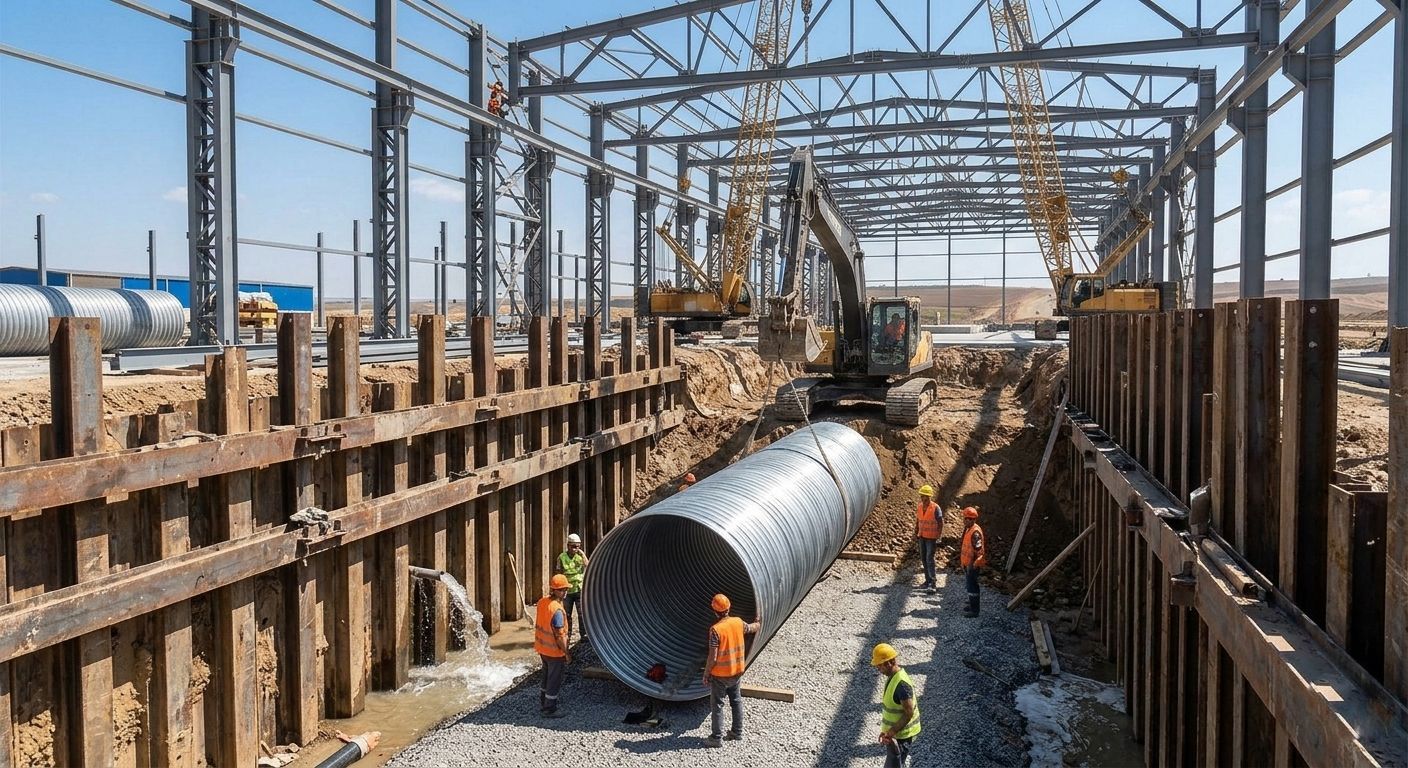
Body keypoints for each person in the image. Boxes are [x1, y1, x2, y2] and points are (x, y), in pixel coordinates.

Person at [702, 593, 762, 748]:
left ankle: (716, 738)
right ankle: (737, 732)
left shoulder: (715, 630)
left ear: (715, 611)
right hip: (736, 672)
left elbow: (713, 657)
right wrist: (758, 622)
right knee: (736, 701)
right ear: (729, 608)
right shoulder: (738, 622)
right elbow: (752, 628)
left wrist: (706, 673)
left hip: (720, 675)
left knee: (717, 705)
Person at [871, 643, 921, 768]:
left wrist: (892, 732)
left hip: (902, 735)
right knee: (897, 764)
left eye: (879, 666)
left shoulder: (901, 685)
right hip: (896, 734)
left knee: (895, 764)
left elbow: (908, 713)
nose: (878, 669)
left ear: (889, 662)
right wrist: (887, 732)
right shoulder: (893, 677)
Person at [534, 574, 572, 717]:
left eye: (565, 589)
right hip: (554, 652)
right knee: (554, 679)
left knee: (546, 675)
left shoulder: (542, 602)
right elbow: (559, 635)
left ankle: (543, 701)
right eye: (562, 590)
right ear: (554, 590)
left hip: (542, 648)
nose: (565, 592)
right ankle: (549, 709)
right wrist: (567, 653)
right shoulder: (557, 610)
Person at [555, 533, 589, 641]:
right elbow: (558, 573)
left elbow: (588, 566)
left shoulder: (580, 557)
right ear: (568, 545)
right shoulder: (562, 557)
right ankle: (567, 635)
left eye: (578, 546)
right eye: (573, 546)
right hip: (567, 591)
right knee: (567, 614)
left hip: (579, 589)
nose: (575, 549)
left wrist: (583, 554)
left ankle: (583, 635)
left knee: (581, 613)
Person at [959, 506, 987, 617]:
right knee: (970, 586)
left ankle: (975, 611)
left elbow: (978, 551)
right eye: (966, 518)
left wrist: (972, 564)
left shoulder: (975, 532)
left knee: (972, 587)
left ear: (973, 520)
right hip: (968, 564)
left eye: (969, 519)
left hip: (973, 565)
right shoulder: (968, 529)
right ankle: (972, 604)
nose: (967, 520)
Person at [914, 485, 940, 594]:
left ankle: (932, 583)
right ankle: (927, 580)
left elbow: (940, 521)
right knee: (924, 558)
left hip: (931, 537)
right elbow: (918, 519)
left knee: (929, 558)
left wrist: (939, 534)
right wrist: (916, 530)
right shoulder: (920, 506)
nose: (922, 498)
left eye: (924, 496)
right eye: (921, 496)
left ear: (929, 497)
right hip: (922, 536)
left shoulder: (935, 508)